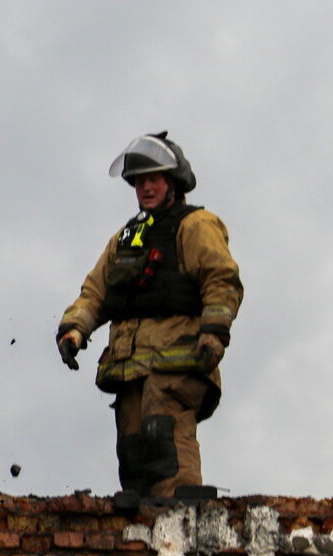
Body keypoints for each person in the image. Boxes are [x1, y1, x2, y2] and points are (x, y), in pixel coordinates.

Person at [56, 132, 243, 498]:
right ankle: (141, 530)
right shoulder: (128, 238)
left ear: (172, 182)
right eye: (139, 181)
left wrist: (214, 331)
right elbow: (95, 291)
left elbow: (221, 278)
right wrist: (75, 329)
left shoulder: (195, 225)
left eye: (153, 179)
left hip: (176, 360)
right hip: (129, 365)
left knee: (164, 439)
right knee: (133, 449)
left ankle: (182, 516)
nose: (145, 187)